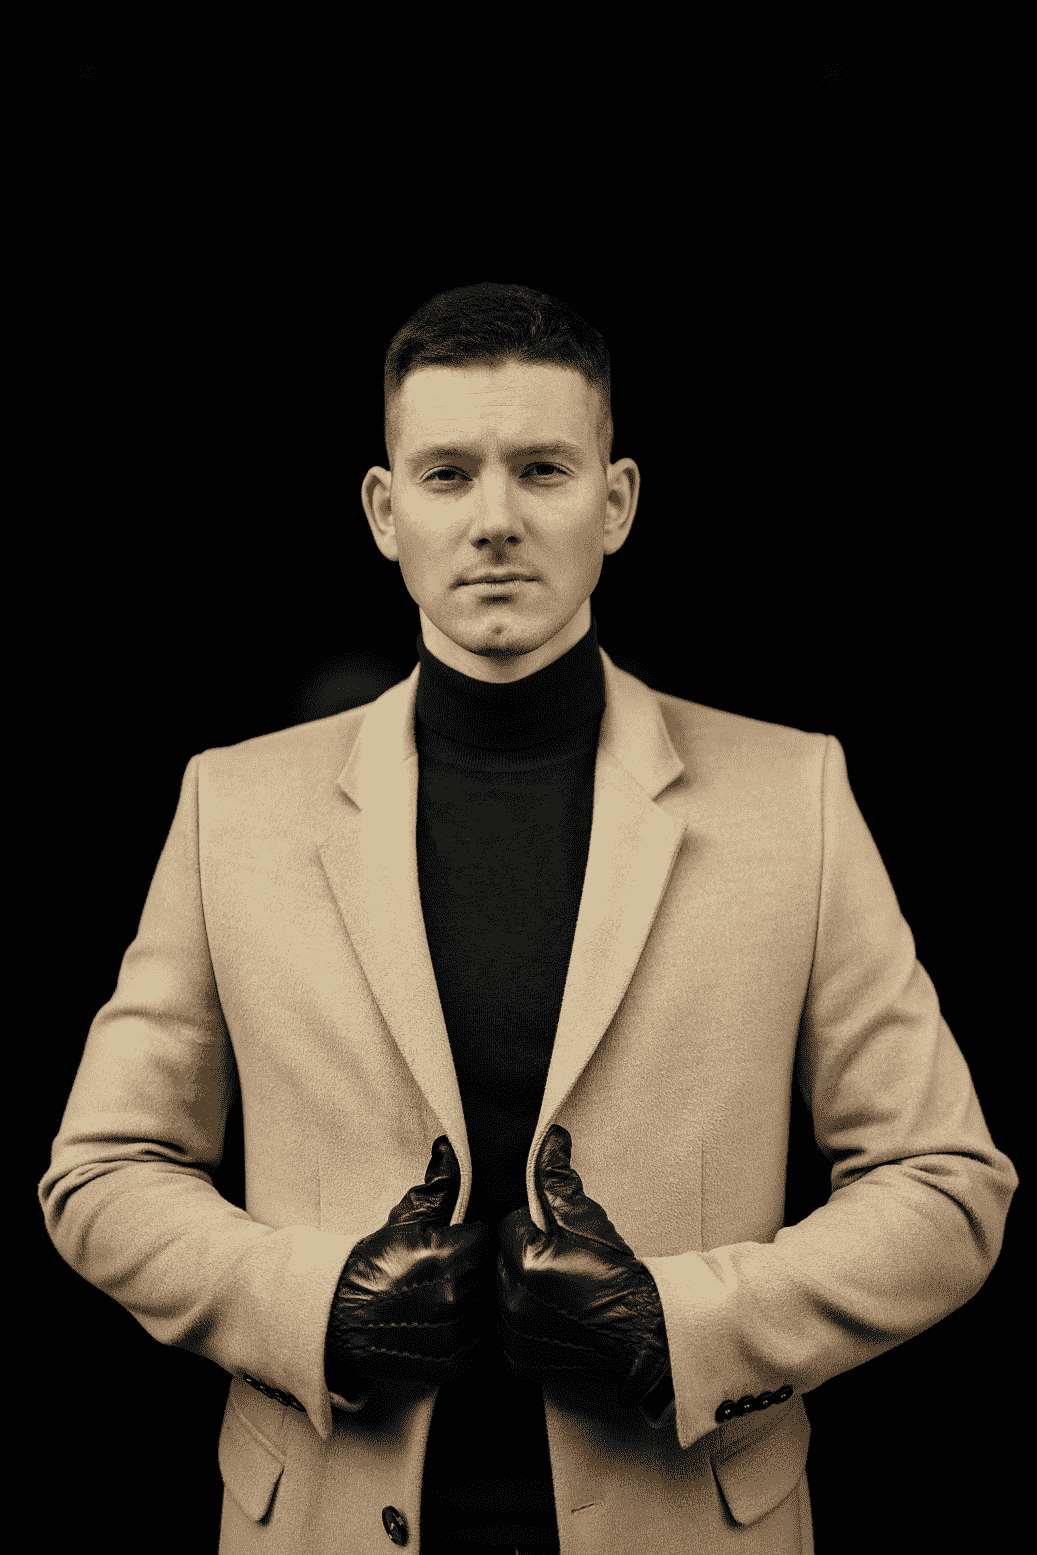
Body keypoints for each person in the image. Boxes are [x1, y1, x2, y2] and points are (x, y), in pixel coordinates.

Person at [38, 282, 1019, 1555]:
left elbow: (945, 1188)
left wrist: (681, 1324)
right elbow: (103, 1170)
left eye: (541, 469)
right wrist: (312, 1305)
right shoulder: (232, 805)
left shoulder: (796, 798)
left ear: (614, 502)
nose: (494, 519)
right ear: (384, 512)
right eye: (447, 474)